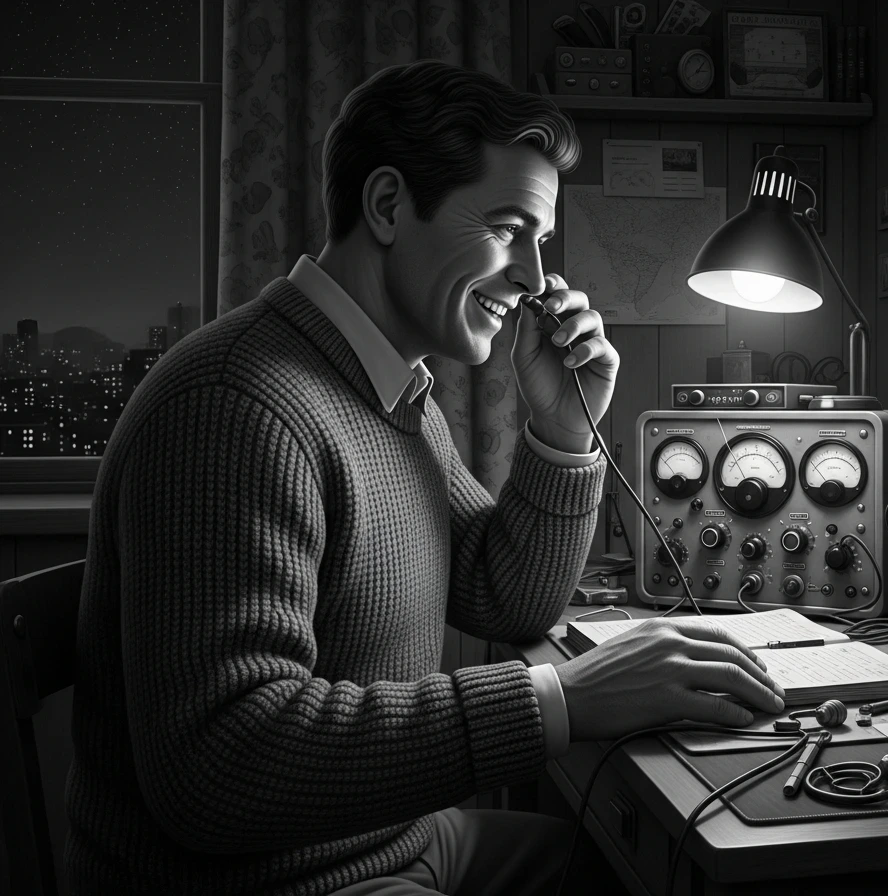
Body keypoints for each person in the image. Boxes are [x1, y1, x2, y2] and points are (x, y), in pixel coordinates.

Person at [65, 60, 785, 896]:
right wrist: (559, 702)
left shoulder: (390, 391)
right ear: (386, 206)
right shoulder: (236, 405)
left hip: (384, 843)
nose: (532, 276)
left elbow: (501, 593)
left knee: (643, 873)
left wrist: (558, 430)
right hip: (280, 880)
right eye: (510, 226)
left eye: (540, 242)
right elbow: (221, 765)